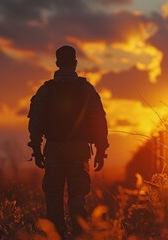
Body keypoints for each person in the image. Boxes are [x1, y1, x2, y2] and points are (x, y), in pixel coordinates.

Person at [27, 45, 109, 239]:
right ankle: (80, 235)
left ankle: (57, 235)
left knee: (54, 199)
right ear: (75, 63)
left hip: (54, 149)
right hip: (79, 150)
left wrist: (37, 149)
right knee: (78, 198)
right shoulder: (86, 88)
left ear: (57, 63)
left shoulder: (46, 90)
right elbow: (99, 120)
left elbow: (35, 121)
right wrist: (100, 149)